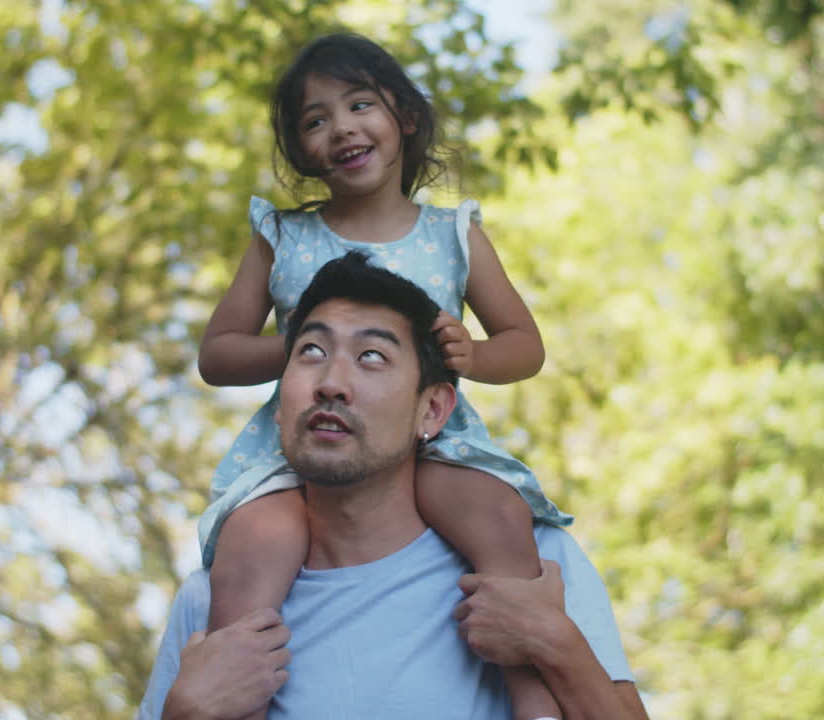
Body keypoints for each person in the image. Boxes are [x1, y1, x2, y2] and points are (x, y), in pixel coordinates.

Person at [196, 32, 572, 719]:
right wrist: (300, 350)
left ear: (402, 115)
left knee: (496, 513)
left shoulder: (453, 233)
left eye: (359, 105)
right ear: (300, 148)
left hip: (434, 438)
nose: (341, 128)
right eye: (315, 120)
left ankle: (535, 697)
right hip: (309, 450)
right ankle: (232, 696)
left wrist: (473, 356)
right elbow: (217, 352)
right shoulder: (282, 236)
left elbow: (526, 345)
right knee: (255, 542)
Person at [140, 252, 648, 719]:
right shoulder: (212, 600)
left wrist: (554, 643)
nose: (331, 382)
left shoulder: (538, 568)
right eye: (312, 351)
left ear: (432, 410)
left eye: (372, 357)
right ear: (279, 403)